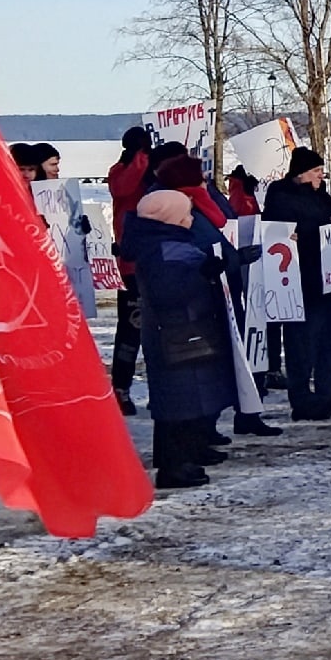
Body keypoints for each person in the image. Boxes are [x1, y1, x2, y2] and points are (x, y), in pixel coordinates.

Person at [116, 189, 238, 488]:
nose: (190, 219)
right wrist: (205, 275)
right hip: (174, 333)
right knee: (178, 401)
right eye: (184, 214)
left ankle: (185, 457)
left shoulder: (166, 242)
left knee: (189, 398)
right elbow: (167, 293)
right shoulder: (161, 248)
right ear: (168, 218)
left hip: (182, 330)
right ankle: (173, 466)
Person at [262, 149, 331, 420]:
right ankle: (301, 397)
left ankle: (328, 391)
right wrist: (325, 222)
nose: (321, 175)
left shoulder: (321, 194)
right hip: (300, 281)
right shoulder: (281, 196)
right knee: (302, 343)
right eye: (316, 171)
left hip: (329, 278)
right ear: (301, 173)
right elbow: (288, 229)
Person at [107, 125, 154, 411]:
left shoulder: (154, 173)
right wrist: (140, 161)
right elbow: (122, 188)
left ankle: (157, 386)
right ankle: (121, 387)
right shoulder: (120, 171)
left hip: (155, 259)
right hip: (131, 264)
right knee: (131, 327)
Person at [32, 143, 95, 312]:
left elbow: (72, 230)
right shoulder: (27, 193)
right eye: (53, 164)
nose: (57, 169)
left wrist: (81, 227)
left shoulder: (63, 193)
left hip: (63, 266)